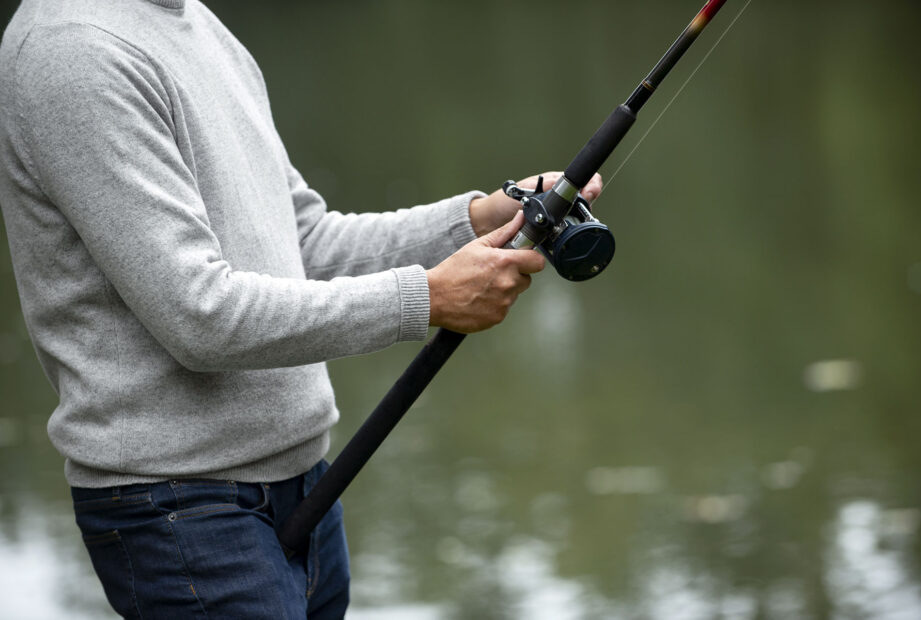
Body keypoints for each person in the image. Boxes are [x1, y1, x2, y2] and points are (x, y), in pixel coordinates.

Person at [0, 0, 602, 617]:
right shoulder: (74, 49)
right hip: (182, 511)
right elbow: (198, 317)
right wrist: (426, 297)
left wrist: (476, 221)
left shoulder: (198, 24)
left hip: (306, 487)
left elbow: (305, 242)